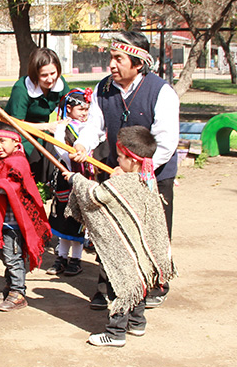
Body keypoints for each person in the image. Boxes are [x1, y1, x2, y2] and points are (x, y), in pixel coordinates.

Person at [70, 30, 179, 311]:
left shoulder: (161, 92)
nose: (112, 65)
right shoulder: (103, 89)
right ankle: (108, 286)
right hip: (115, 170)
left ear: (138, 63)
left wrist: (139, 172)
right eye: (111, 58)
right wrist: (83, 145)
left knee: (153, 230)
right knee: (110, 229)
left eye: (119, 59)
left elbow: (165, 141)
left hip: (153, 175)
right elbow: (95, 125)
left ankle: (156, 283)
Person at [65, 126, 175, 347]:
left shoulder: (121, 183)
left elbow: (95, 195)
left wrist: (75, 179)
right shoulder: (147, 179)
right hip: (144, 251)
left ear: (133, 160)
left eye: (121, 157)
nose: (117, 159)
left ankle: (115, 333)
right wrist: (119, 176)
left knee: (120, 287)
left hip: (122, 253)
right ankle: (137, 323)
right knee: (139, 283)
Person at [0, 121, 52, 312]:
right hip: (3, 222)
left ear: (16, 143)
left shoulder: (18, 162)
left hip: (15, 222)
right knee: (6, 256)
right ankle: (10, 287)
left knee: (13, 257)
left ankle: (18, 293)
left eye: (2, 141)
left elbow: (14, 186)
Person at [45, 88, 95, 277]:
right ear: (69, 108)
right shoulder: (61, 128)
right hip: (65, 178)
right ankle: (61, 257)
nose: (84, 113)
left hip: (84, 179)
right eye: (81, 109)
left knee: (78, 220)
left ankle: (76, 260)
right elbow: (61, 152)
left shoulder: (91, 128)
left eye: (87, 109)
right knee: (63, 219)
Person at [6, 47, 69, 182]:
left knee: (58, 150)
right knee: (33, 158)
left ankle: (52, 185)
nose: (50, 79)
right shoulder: (21, 89)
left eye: (53, 73)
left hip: (43, 130)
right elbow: (16, 123)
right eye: (44, 75)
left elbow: (69, 105)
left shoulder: (60, 83)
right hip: (17, 132)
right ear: (35, 74)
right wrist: (47, 127)